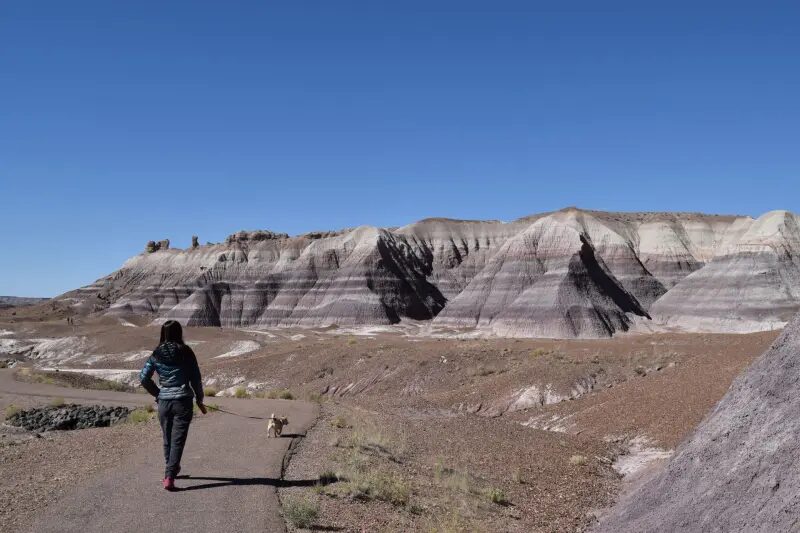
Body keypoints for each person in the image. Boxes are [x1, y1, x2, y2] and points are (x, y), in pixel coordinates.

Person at [139, 320, 207, 491]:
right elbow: (196, 378)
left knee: (168, 437)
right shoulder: (186, 352)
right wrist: (199, 398)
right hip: (182, 401)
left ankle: (172, 468)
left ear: (163, 333)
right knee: (178, 439)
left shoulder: (156, 353)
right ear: (179, 333)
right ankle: (169, 476)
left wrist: (158, 393)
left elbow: (143, 378)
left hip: (164, 401)